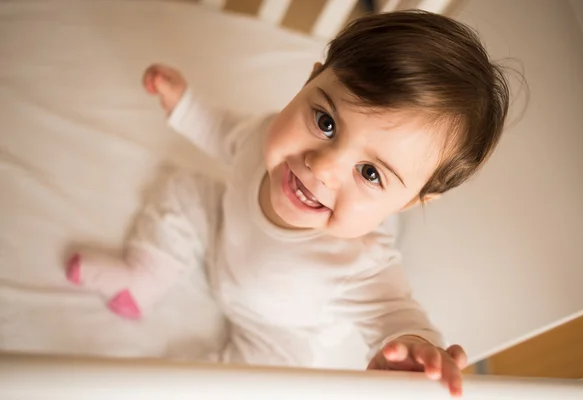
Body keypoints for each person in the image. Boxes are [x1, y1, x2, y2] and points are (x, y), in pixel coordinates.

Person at [65, 10, 510, 397]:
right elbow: (223, 134)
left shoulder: (360, 265)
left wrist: (415, 349)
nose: (322, 166)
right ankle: (143, 274)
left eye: (370, 173)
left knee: (260, 382)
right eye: (326, 121)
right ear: (310, 80)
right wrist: (184, 106)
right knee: (185, 190)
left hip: (275, 328)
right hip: (224, 234)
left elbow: (395, 314)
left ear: (413, 200)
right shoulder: (263, 136)